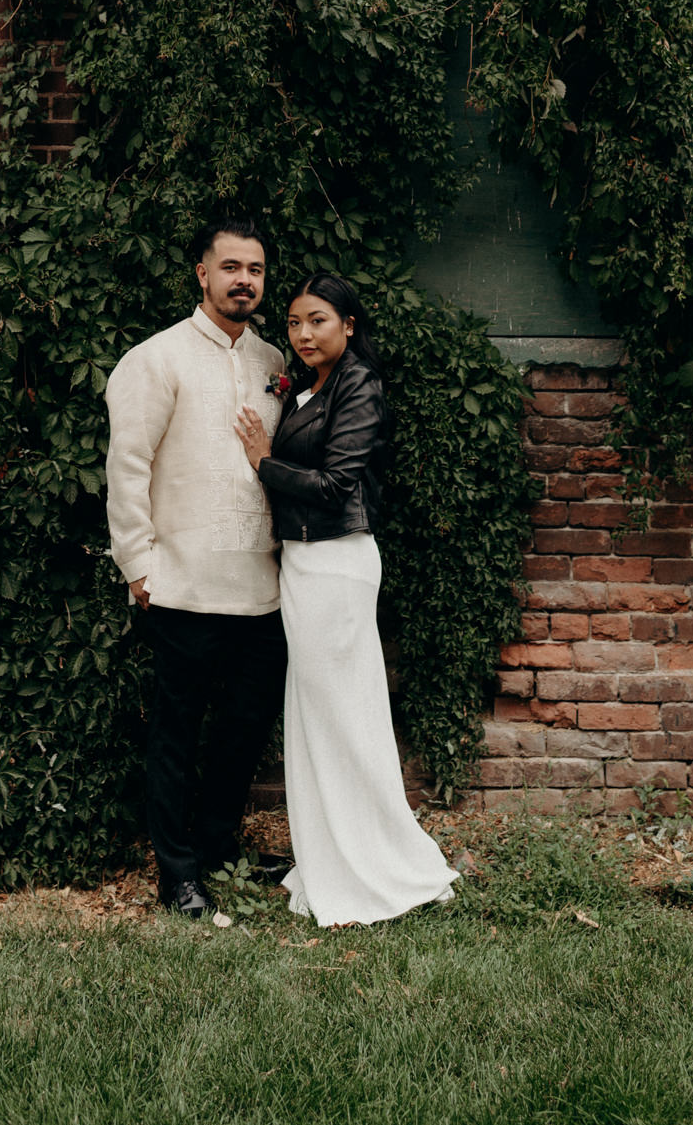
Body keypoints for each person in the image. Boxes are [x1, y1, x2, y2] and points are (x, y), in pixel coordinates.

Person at [235, 273, 457, 927]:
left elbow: (334, 483)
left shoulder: (359, 384)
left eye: (318, 320)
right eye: (295, 322)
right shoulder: (313, 385)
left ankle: (377, 863)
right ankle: (332, 852)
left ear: (349, 324)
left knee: (343, 717)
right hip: (307, 562)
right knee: (317, 715)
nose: (303, 333)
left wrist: (262, 461)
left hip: (336, 562)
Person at [105, 217, 289, 917]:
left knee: (243, 732)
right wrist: (138, 563)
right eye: (232, 266)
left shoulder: (275, 359)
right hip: (180, 584)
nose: (245, 279)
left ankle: (215, 848)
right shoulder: (156, 358)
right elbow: (128, 465)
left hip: (261, 587)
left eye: (257, 269)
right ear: (202, 275)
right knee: (177, 736)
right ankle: (176, 873)